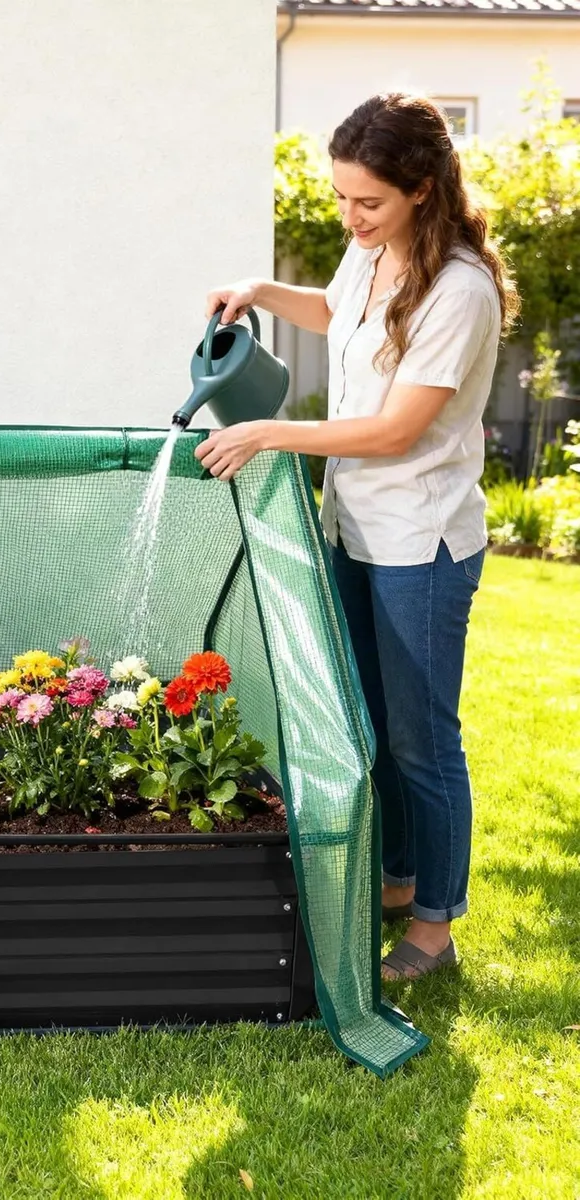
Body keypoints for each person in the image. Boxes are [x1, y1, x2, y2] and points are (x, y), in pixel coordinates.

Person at [195, 93, 518, 981]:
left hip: (422, 541)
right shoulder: (371, 250)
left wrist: (268, 433)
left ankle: (434, 929)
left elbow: (395, 431)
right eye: (340, 198)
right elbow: (340, 315)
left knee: (424, 743)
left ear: (421, 187)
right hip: (356, 528)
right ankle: (398, 880)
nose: (349, 217)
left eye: (366, 202)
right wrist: (262, 293)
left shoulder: (459, 289)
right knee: (371, 726)